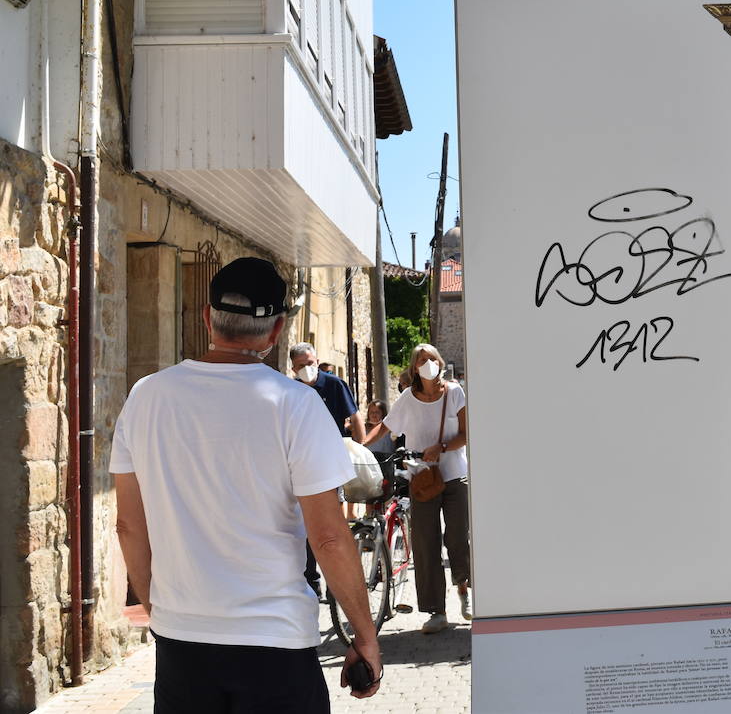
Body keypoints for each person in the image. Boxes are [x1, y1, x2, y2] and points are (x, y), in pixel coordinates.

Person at [111, 257, 382, 709]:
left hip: (183, 645)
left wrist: (159, 609)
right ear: (276, 331)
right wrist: (365, 636)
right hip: (274, 641)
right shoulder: (297, 405)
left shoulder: (145, 397)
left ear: (207, 317)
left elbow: (128, 526)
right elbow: (329, 537)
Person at [364, 343, 470, 631]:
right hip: (421, 478)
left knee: (458, 537)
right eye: (422, 360)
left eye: (432, 358)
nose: (428, 363)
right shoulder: (408, 398)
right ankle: (437, 612)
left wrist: (442, 447)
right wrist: (360, 445)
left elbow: (466, 433)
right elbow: (385, 426)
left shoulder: (455, 392)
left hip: (454, 475)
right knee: (425, 544)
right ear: (414, 367)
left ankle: (464, 588)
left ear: (440, 362)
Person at [291, 341, 364, 596]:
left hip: (331, 465)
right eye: (301, 365)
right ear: (293, 368)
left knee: (331, 527)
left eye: (310, 363)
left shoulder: (334, 385)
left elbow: (355, 418)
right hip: (301, 466)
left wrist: (359, 450)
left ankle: (339, 583)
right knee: (305, 527)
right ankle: (312, 581)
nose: (307, 369)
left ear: (317, 361)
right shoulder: (291, 390)